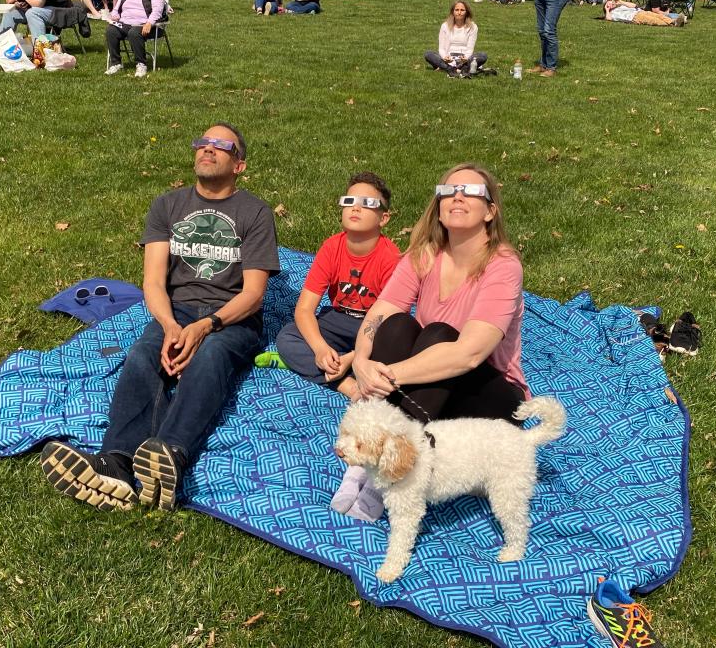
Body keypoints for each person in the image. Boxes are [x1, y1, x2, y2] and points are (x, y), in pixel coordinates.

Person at [40, 124, 280, 513]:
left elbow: (253, 295)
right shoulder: (167, 206)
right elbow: (152, 282)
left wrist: (206, 327)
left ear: (239, 165)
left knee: (209, 357)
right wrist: (170, 326)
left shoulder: (254, 212)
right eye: (203, 142)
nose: (208, 148)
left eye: (222, 145)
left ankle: (170, 455)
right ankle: (114, 464)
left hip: (231, 318)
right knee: (141, 356)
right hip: (178, 309)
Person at [345, 165, 529, 519]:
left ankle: (385, 472)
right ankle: (370, 460)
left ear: (490, 211)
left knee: (439, 336)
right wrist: (362, 362)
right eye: (449, 190)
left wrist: (386, 375)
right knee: (398, 326)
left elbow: (469, 354)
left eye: (471, 191)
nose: (458, 196)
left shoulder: (503, 266)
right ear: (439, 204)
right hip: (431, 393)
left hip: (491, 410)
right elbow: (381, 311)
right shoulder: (425, 253)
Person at [275, 172, 398, 401]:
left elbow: (387, 319)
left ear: (384, 218)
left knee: (399, 350)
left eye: (367, 203)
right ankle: (349, 385)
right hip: (338, 319)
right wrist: (320, 348)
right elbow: (304, 310)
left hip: (374, 326)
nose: (356, 208)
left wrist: (353, 357)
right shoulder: (332, 248)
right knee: (287, 338)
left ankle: (344, 364)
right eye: (349, 201)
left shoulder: (390, 258)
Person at [104, 0, 164, 77]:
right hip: (125, 22)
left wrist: (149, 23)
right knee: (111, 30)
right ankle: (116, 63)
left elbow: (157, 11)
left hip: (145, 25)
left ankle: (141, 64)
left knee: (134, 32)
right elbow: (117, 7)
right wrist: (114, 16)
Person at [424, 0, 487, 77]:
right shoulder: (445, 26)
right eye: (457, 10)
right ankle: (450, 69)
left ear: (466, 12)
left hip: (464, 60)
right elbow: (441, 48)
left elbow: (470, 49)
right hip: (448, 59)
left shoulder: (473, 27)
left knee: (483, 55)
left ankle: (458, 68)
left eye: (462, 10)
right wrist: (444, 57)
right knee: (428, 54)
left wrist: (466, 58)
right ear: (453, 12)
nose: (459, 12)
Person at [604, 0, 685, 26]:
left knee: (659, 16)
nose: (611, 3)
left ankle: (673, 22)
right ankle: (673, 23)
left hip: (640, 11)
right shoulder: (612, 13)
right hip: (635, 17)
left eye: (611, 2)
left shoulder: (621, 6)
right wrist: (607, 10)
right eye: (608, 4)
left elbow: (634, 5)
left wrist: (621, 2)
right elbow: (608, 18)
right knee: (653, 20)